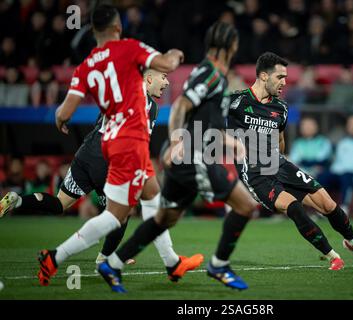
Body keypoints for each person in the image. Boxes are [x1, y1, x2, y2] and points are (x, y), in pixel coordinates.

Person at [27, 4, 183, 287]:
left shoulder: (87, 65)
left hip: (95, 145)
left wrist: (61, 121)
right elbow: (166, 63)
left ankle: (172, 262)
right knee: (118, 215)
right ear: (118, 28)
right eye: (161, 80)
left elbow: (64, 111)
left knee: (148, 196)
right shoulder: (129, 51)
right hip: (123, 145)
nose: (165, 82)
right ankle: (88, 259)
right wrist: (175, 55)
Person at [97, 21, 258, 293]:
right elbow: (181, 106)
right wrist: (176, 141)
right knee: (245, 205)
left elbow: (207, 122)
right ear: (232, 45)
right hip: (194, 156)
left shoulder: (212, 74)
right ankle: (219, 264)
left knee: (164, 219)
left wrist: (232, 142)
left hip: (194, 154)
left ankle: (112, 263)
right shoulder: (210, 74)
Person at [0, 68, 203, 279]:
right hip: (108, 158)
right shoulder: (148, 105)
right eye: (164, 77)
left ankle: (19, 202)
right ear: (149, 78)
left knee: (60, 203)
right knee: (120, 213)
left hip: (86, 153)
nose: (167, 83)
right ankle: (104, 257)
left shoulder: (119, 91)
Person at [227, 52, 353, 273]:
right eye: (280, 77)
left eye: (286, 78)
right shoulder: (236, 102)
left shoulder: (281, 108)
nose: (284, 82)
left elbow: (280, 141)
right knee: (294, 207)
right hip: (255, 174)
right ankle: (333, 256)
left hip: (279, 164)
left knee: (327, 204)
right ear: (263, 76)